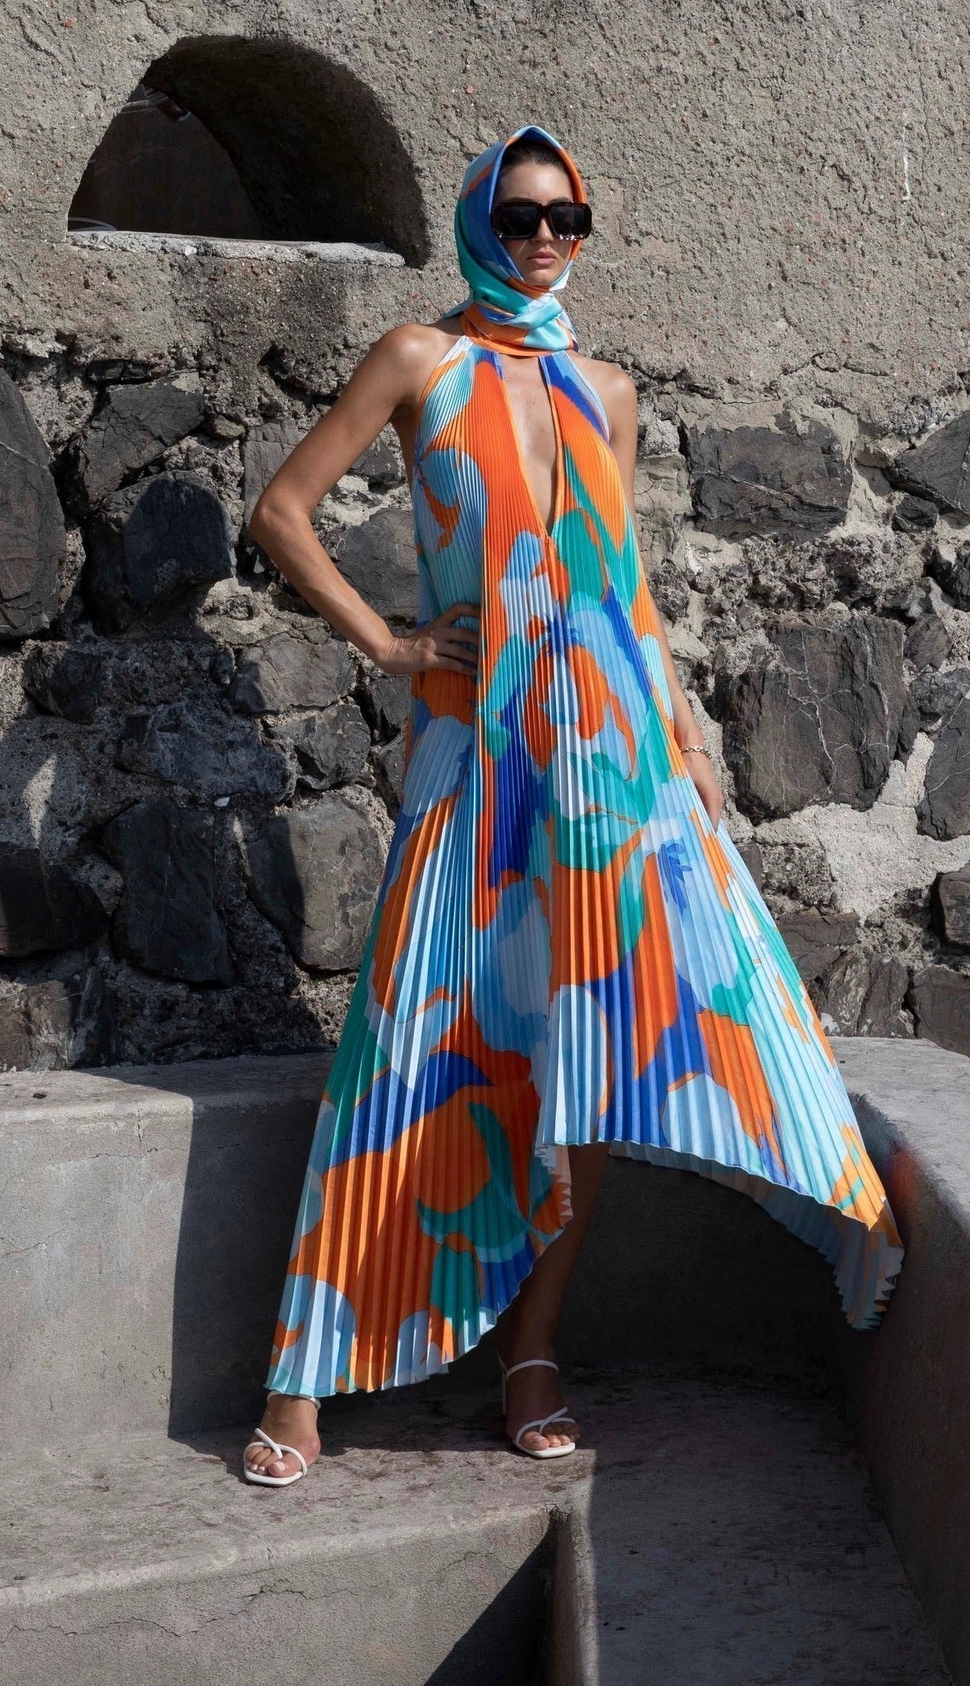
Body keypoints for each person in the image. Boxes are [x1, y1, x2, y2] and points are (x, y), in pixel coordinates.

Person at [241, 124, 904, 1483]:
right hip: (475, 749)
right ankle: (307, 1365)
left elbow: (628, 590)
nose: (546, 238)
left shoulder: (607, 389)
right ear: (480, 220)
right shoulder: (420, 360)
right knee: (408, 1042)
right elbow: (283, 511)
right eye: (523, 214)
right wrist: (391, 645)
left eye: (567, 218)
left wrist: (685, 740)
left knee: (593, 1048)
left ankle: (532, 1351)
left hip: (613, 761)